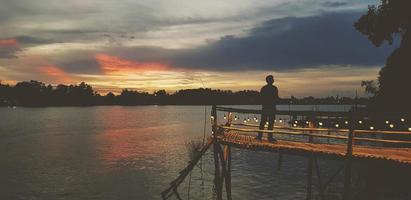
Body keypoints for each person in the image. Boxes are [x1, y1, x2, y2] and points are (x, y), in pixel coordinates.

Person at [257, 75, 279, 142]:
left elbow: (261, 98)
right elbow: (276, 98)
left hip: (267, 107)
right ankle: (267, 137)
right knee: (267, 122)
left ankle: (261, 136)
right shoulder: (273, 88)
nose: (273, 80)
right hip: (270, 107)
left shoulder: (264, 88)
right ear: (269, 80)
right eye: (272, 79)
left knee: (266, 122)